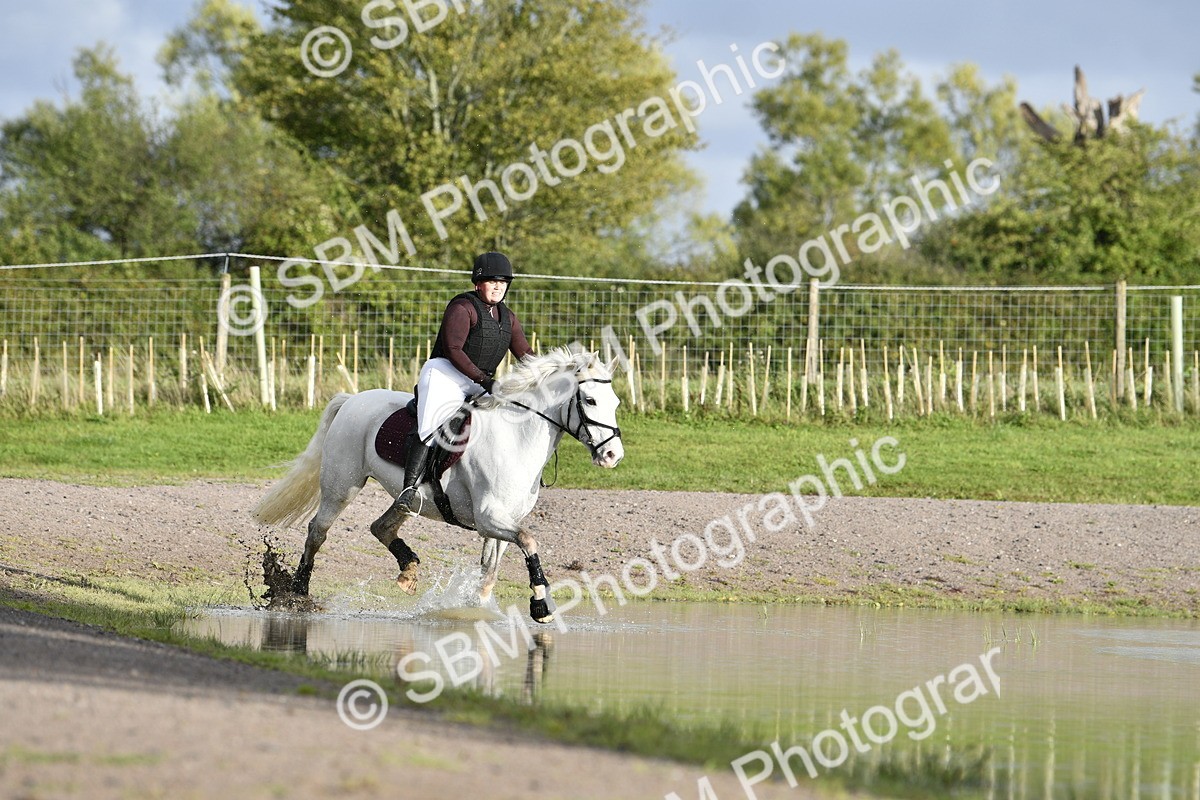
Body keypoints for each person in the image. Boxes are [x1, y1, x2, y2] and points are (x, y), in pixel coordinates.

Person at [397, 251, 534, 509]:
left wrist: (552, 371)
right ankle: (408, 490)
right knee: (431, 425)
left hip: (477, 380)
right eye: (492, 281)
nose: (498, 287)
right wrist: (484, 380)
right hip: (445, 374)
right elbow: (453, 349)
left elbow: (525, 353)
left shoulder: (508, 317)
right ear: (478, 283)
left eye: (503, 282)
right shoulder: (462, 308)